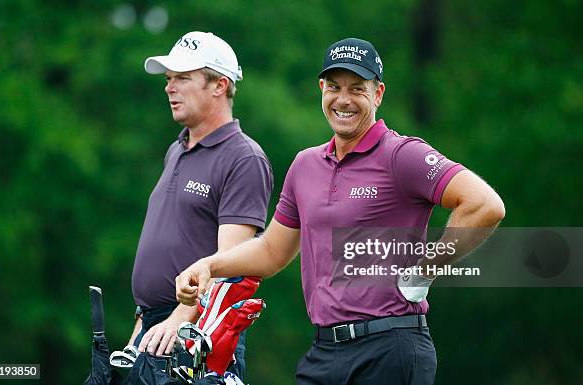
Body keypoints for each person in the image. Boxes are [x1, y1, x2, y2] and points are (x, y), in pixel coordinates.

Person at [175, 37, 505, 385]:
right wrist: (210, 264)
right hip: (325, 352)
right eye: (334, 87)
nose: (343, 99)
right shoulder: (305, 165)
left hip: (390, 347)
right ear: (321, 89)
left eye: (357, 88)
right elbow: (272, 251)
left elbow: (484, 205)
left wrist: (426, 270)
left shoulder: (401, 154)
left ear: (378, 94)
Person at [128, 31, 273, 378]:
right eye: (168, 79)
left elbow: (232, 270)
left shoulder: (243, 158)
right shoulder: (176, 149)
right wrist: (137, 336)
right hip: (154, 331)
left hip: (194, 336)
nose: (169, 87)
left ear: (219, 85)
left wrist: (180, 317)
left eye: (182, 78)